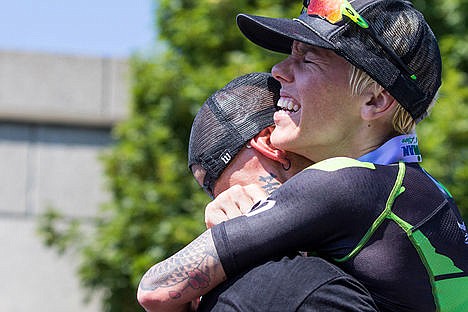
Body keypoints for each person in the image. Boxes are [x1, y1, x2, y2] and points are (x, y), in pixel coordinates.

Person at [137, 1, 468, 311]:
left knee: (260, 283)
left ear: (375, 101)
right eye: (291, 53)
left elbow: (155, 289)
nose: (278, 69)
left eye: (308, 58)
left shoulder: (343, 183)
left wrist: (232, 233)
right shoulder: (419, 187)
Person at [185, 72, 378, 311]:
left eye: (236, 194)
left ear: (268, 143)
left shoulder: (297, 286)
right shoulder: (397, 194)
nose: (230, 214)